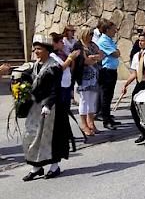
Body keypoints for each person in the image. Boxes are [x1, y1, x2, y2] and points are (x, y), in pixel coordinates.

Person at [22, 34, 75, 181]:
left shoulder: (54, 67)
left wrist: (48, 105)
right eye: (35, 49)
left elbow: (55, 89)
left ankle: (54, 166)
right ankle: (36, 167)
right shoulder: (34, 66)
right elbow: (25, 79)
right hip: (34, 108)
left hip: (50, 109)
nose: (36, 51)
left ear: (46, 50)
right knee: (32, 135)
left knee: (50, 138)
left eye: (39, 49)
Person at [72, 28, 104, 136]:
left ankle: (91, 122)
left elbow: (101, 55)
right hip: (84, 77)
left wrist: (93, 57)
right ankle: (84, 124)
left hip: (94, 76)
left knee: (92, 100)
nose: (91, 36)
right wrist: (94, 59)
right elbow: (85, 60)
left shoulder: (92, 45)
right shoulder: (78, 45)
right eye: (89, 34)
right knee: (84, 100)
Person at [97, 20, 122, 130]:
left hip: (112, 70)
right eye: (113, 29)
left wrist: (117, 52)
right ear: (107, 30)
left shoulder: (109, 40)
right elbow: (115, 53)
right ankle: (106, 120)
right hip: (106, 71)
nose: (115, 31)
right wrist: (117, 52)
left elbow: (117, 52)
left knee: (109, 95)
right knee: (105, 96)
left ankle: (108, 117)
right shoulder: (103, 41)